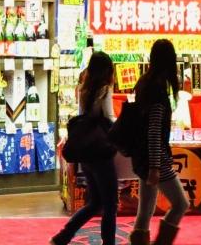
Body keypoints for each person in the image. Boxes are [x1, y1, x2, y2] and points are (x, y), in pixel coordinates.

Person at [52, 51, 118, 245]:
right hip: (101, 152)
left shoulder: (83, 89)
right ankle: (108, 242)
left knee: (95, 202)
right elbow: (109, 118)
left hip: (87, 152)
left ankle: (64, 235)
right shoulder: (105, 90)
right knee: (110, 204)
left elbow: (83, 116)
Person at [129, 38, 189, 245]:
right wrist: (155, 166)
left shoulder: (144, 83)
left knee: (145, 211)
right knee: (180, 204)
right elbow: (154, 131)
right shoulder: (157, 89)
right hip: (155, 158)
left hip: (142, 156)